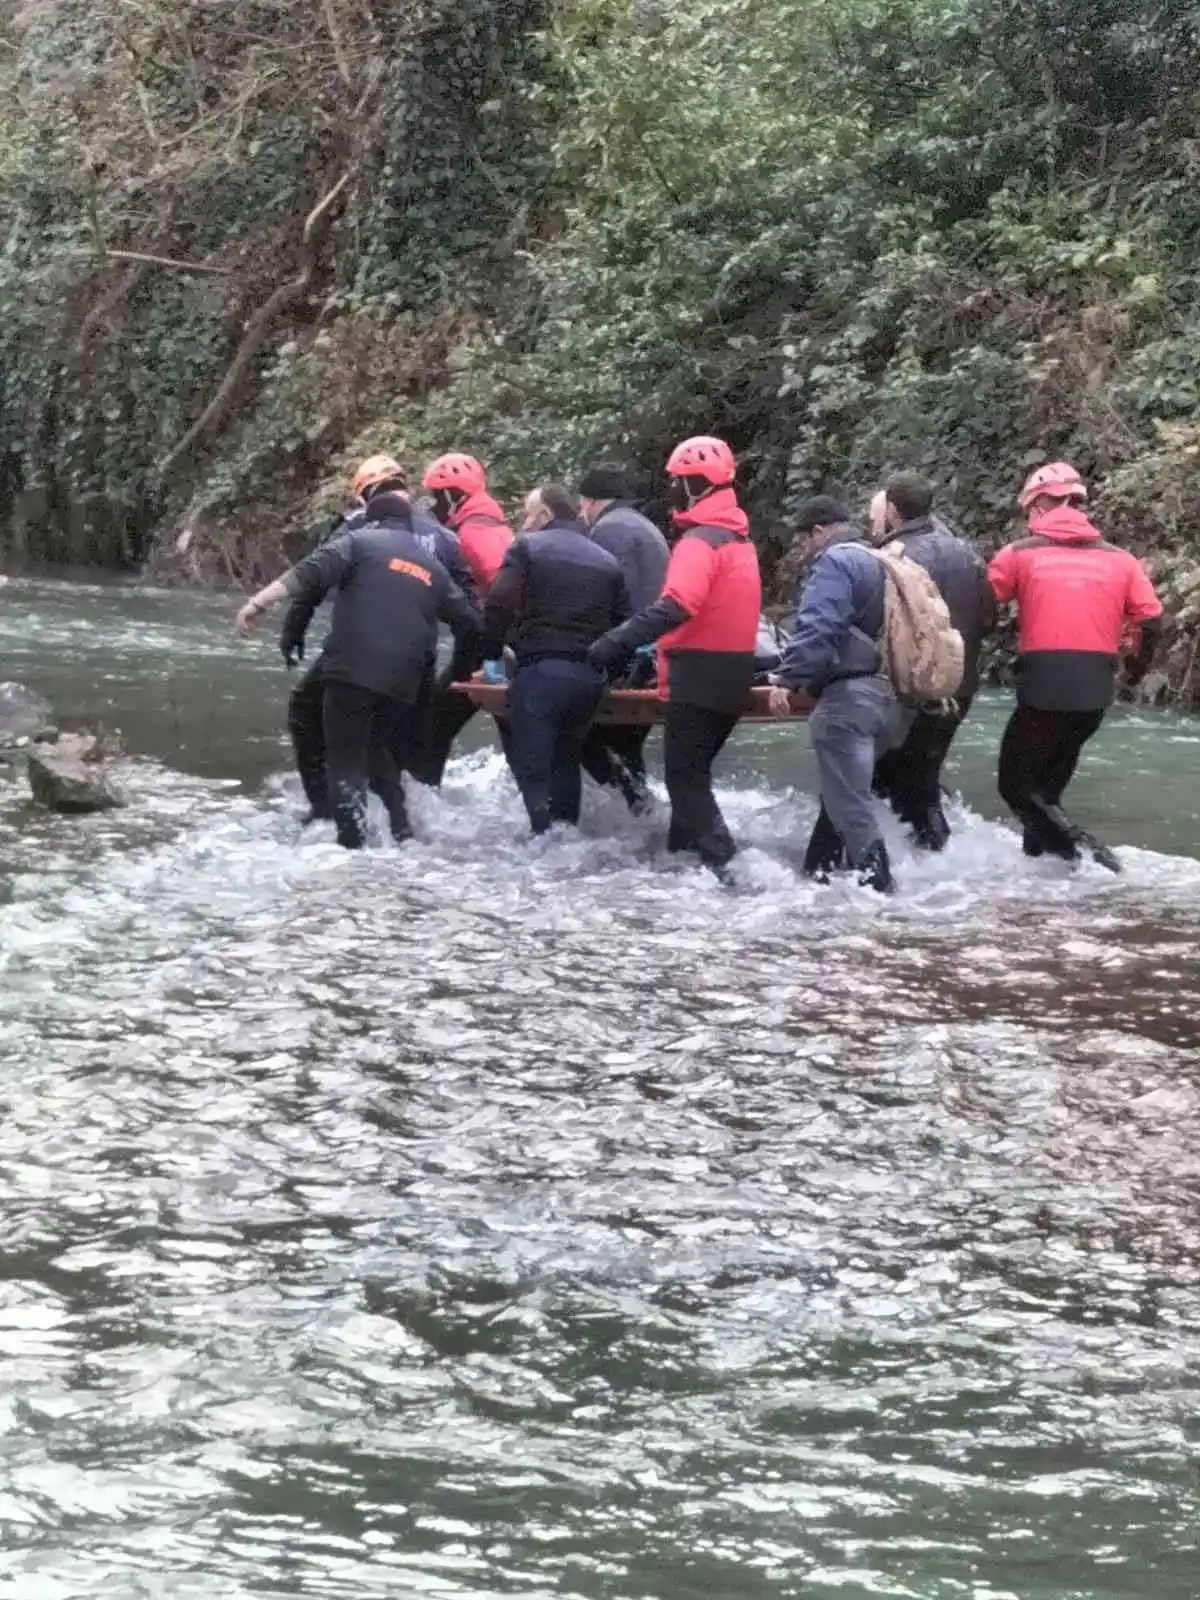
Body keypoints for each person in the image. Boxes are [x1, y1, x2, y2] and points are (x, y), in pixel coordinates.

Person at [237, 495, 481, 851]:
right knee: (378, 751)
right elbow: (470, 623)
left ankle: (352, 847)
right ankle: (403, 835)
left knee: (345, 758)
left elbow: (305, 574)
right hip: (405, 681)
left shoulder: (357, 542)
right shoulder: (432, 566)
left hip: (352, 670)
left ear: (372, 520)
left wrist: (257, 603)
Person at [588, 436, 761, 878]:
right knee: (692, 773)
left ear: (692, 486)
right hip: (736, 672)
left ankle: (732, 875)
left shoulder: (698, 543)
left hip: (698, 674)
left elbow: (677, 605)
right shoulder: (739, 541)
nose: (671, 491)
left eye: (676, 483)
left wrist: (617, 641)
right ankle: (680, 866)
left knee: (686, 783)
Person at [989, 461, 1163, 869]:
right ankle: (1046, 880)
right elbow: (1151, 618)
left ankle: (1095, 863)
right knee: (1046, 794)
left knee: (1015, 787)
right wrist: (1135, 670)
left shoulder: (1018, 554)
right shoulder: (1121, 560)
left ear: (1040, 507)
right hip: (1095, 692)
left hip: (1043, 686)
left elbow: (981, 604)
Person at [282, 455, 476, 819]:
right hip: (419, 656)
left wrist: (293, 633)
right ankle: (407, 822)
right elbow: (467, 604)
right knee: (401, 740)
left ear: (365, 494)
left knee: (307, 712)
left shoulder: (359, 526)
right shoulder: (445, 536)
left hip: (359, 650)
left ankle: (326, 808)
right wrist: (466, 664)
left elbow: (314, 581)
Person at [481, 483, 630, 834]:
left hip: (540, 673)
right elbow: (623, 622)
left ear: (545, 515)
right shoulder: (606, 559)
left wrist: (490, 654)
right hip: (588, 679)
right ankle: (568, 847)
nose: (525, 522)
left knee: (536, 771)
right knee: (566, 763)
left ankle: (544, 856)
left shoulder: (527, 548)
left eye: (528, 514)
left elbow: (499, 603)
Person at [767, 496, 895, 892]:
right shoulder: (883, 558)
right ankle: (822, 880)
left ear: (819, 531)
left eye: (806, 540)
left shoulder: (836, 562)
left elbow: (818, 629)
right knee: (844, 797)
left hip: (848, 697)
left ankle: (881, 893)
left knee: (850, 805)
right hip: (889, 693)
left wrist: (787, 679)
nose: (807, 548)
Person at [868, 473, 995, 850]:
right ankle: (937, 863)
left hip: (911, 688)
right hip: (961, 685)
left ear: (891, 510)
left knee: (897, 784)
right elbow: (989, 617)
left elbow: (878, 624)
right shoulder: (968, 553)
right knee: (921, 780)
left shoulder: (892, 558)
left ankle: (915, 871)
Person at [408, 452, 516, 786]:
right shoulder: (495, 524)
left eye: (437, 497)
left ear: (456, 496)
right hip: (503, 643)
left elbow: (500, 584)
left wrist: (492, 641)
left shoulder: (473, 532)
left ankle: (420, 808)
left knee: (432, 726)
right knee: (512, 732)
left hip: (487, 643)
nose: (433, 505)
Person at [576, 462, 671, 812]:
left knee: (580, 735)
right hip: (655, 651)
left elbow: (608, 596)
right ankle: (639, 813)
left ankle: (636, 810)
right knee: (626, 744)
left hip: (629, 654)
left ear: (589, 501)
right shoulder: (644, 525)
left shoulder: (608, 530)